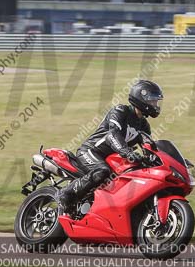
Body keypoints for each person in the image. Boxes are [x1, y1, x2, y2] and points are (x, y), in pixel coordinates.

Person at [58, 80, 163, 213]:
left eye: (156, 101)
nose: (155, 104)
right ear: (141, 98)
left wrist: (162, 160)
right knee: (102, 171)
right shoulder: (121, 111)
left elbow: (149, 147)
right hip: (91, 151)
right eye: (152, 100)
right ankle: (65, 193)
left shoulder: (143, 125)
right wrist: (127, 152)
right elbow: (112, 134)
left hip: (113, 159)